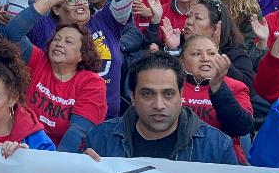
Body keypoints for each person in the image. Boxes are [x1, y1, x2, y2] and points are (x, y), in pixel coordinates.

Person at [80, 51, 237, 163]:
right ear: (133, 97)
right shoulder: (99, 139)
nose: (159, 105)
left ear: (181, 95)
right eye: (148, 94)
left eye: (168, 94)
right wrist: (81, 171)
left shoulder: (217, 147)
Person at [3, 0, 107, 151]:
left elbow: (77, 133)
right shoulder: (39, 61)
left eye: (68, 41)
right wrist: (50, 0)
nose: (59, 43)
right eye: (57, 39)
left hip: (60, 158)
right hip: (18, 147)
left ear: (82, 54)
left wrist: (51, 164)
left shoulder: (92, 83)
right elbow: (13, 33)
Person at [178, 33, 254, 162]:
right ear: (182, 61)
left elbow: (242, 127)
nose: (205, 58)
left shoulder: (236, 86)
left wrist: (218, 88)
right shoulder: (172, 85)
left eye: (212, 54)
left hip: (222, 159)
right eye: (196, 54)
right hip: (179, 157)